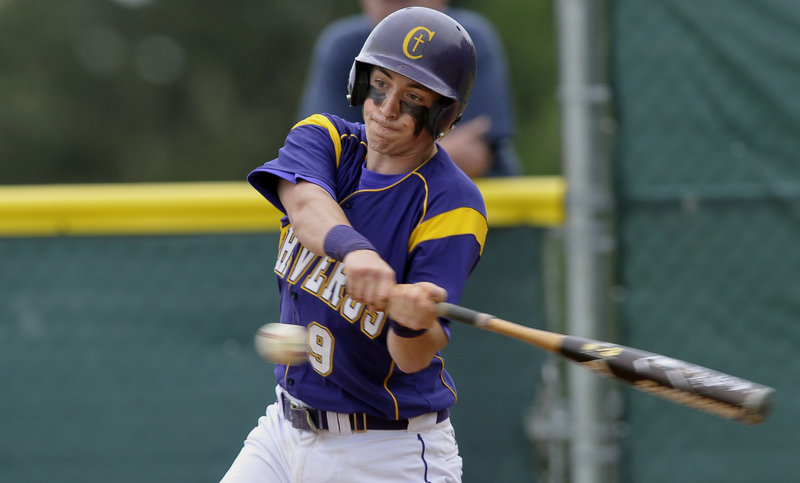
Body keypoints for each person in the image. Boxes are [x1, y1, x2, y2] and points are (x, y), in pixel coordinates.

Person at [221, 7, 487, 483]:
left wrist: (410, 323)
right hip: (284, 431)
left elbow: (412, 357)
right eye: (381, 85)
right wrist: (355, 249)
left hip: (387, 450)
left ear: (443, 114)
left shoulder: (452, 203)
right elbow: (305, 207)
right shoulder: (326, 138)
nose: (386, 109)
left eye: (412, 99)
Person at [297, 0, 521, 178]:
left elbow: (472, 156)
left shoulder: (465, 41)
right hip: (373, 217)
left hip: (485, 220)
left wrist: (368, 163)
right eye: (381, 83)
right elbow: (320, 155)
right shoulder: (342, 45)